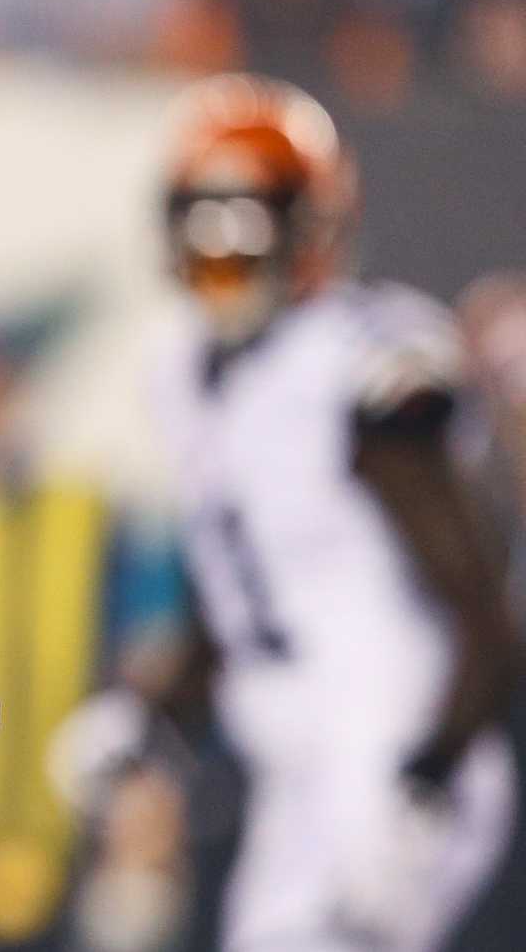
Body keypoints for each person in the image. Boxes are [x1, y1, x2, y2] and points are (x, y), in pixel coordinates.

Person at [56, 75, 517, 952]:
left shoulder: (363, 367)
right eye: (205, 248)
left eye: (243, 248)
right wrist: (157, 717)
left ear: (309, 236)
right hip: (298, 776)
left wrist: (424, 782)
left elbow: (484, 606)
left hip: (393, 754)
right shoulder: (189, 373)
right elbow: (241, 587)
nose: (221, 275)